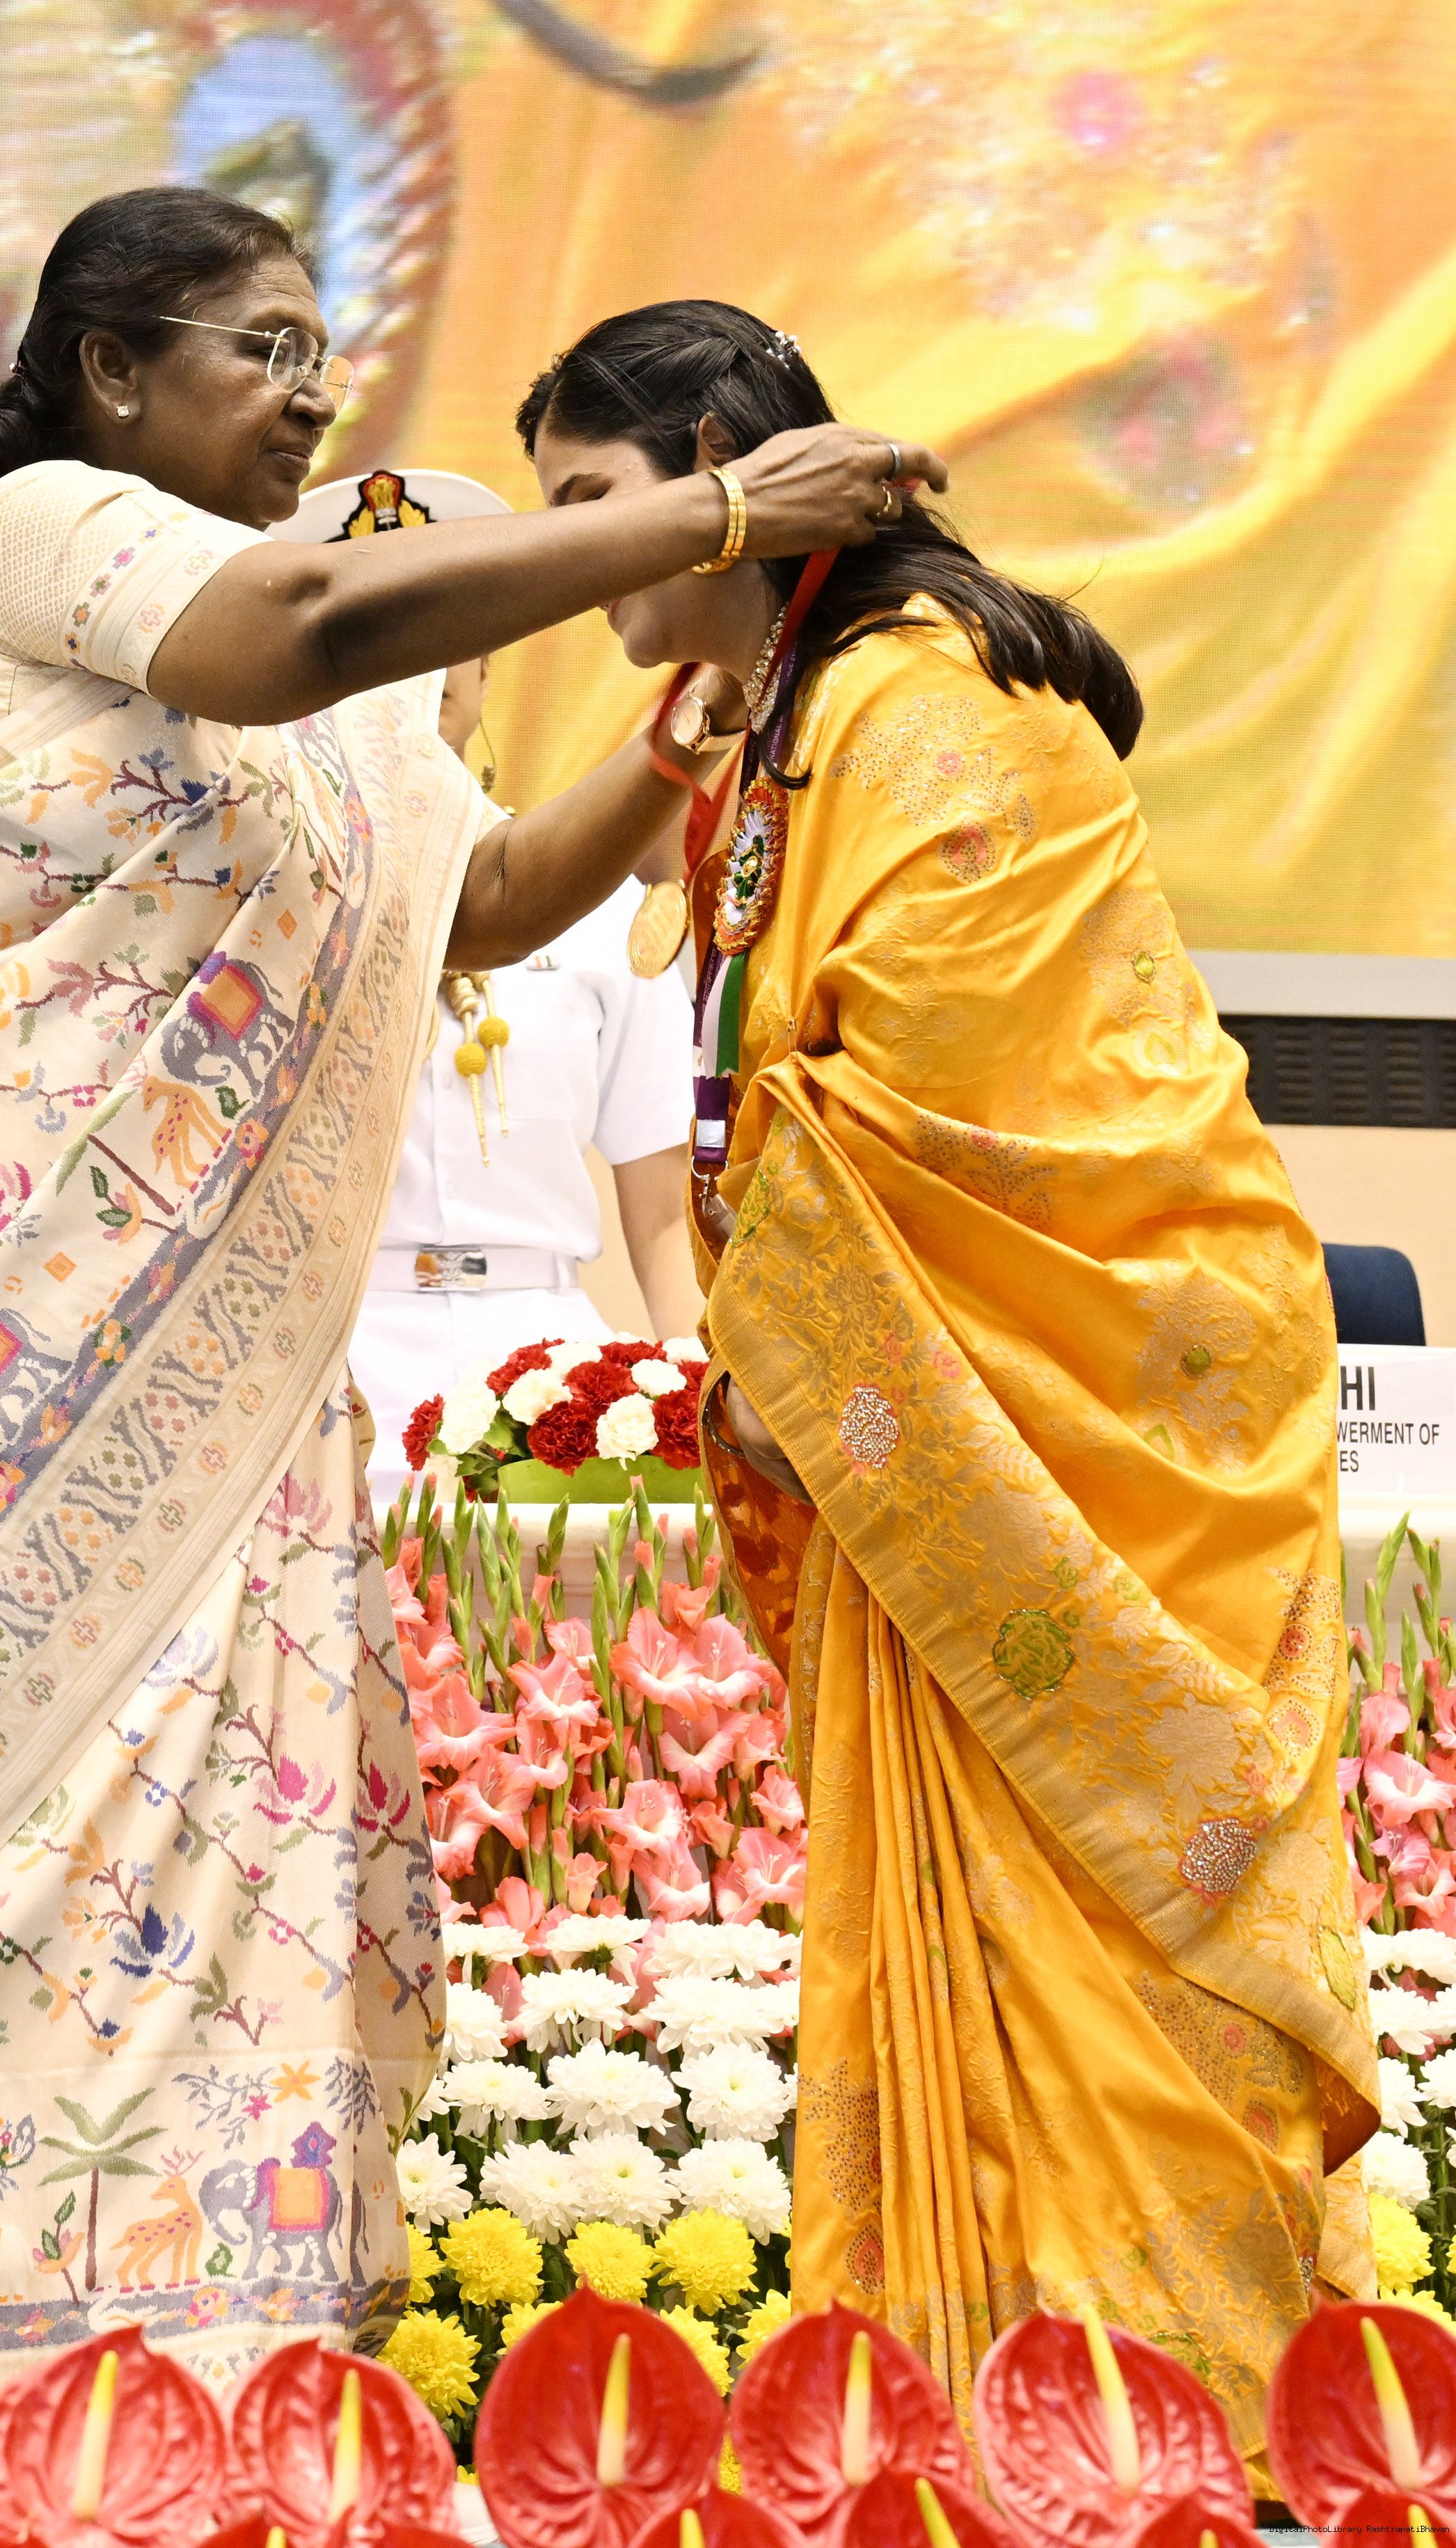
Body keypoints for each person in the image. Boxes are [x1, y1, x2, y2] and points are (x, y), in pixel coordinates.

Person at [0, 194, 931, 2468]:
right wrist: (713, 515)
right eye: (261, 346)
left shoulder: (346, 700)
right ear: (110, 369)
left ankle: (218, 2383)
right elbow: (293, 628)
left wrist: (679, 734)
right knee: (3, 1850)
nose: (312, 392)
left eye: (322, 348)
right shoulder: (52, 533)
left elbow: (480, 898)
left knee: (232, 1847)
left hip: (231, 1369)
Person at [519, 300, 1378, 2475]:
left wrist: (778, 1292)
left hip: (1079, 1405)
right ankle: (976, 2414)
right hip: (933, 1405)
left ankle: (1179, 2417)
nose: (576, 559)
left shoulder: (921, 702)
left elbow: (953, 1099)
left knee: (1109, 1903)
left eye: (590, 502)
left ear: (715, 465)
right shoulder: (781, 715)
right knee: (975, 1913)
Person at [278, 466, 699, 1488]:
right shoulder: (264, 908)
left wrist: (693, 1394)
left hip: (552, 1382)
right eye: (379, 632)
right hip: (322, 1368)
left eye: (445, 628)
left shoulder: (598, 903)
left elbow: (662, 1208)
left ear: (485, 665)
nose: (416, 668)